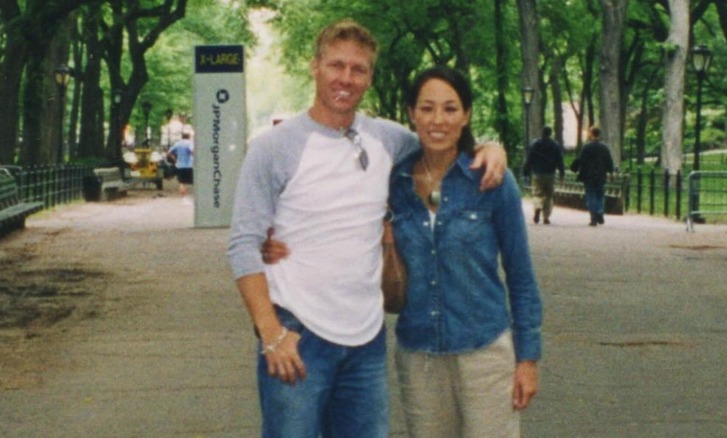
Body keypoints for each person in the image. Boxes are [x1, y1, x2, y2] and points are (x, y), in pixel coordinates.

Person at [227, 19, 506, 438]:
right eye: (336, 65)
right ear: (314, 66)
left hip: (366, 340)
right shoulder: (274, 148)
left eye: (358, 69)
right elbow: (243, 245)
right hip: (297, 334)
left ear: (370, 78)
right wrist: (271, 334)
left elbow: (442, 139)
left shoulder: (387, 139)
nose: (346, 78)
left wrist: (489, 146)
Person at [385, 65, 542, 437]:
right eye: (427, 108)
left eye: (450, 108)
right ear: (411, 113)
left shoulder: (491, 180)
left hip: (484, 351)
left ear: (467, 114)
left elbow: (520, 275)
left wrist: (528, 357)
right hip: (419, 356)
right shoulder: (393, 183)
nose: (438, 120)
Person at [571, 126, 615, 226]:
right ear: (599, 134)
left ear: (591, 134)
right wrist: (611, 173)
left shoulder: (586, 147)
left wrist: (574, 168)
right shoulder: (604, 147)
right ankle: (600, 210)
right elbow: (609, 161)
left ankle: (593, 217)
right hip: (600, 175)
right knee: (600, 194)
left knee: (590, 194)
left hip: (588, 175)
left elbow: (580, 159)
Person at [523, 126, 565, 224]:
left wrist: (526, 171)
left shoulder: (535, 144)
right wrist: (561, 173)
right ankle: (546, 217)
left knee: (538, 193)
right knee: (548, 195)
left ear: (542, 132)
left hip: (537, 172)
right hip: (550, 173)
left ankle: (537, 207)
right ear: (550, 133)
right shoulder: (555, 145)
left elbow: (529, 159)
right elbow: (560, 160)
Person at [167, 131, 194, 200]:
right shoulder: (190, 143)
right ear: (189, 137)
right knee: (194, 181)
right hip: (190, 165)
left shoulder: (177, 144)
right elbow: (192, 151)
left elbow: (169, 153)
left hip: (180, 165)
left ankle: (184, 198)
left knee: (182, 183)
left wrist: (175, 160)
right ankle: (195, 196)